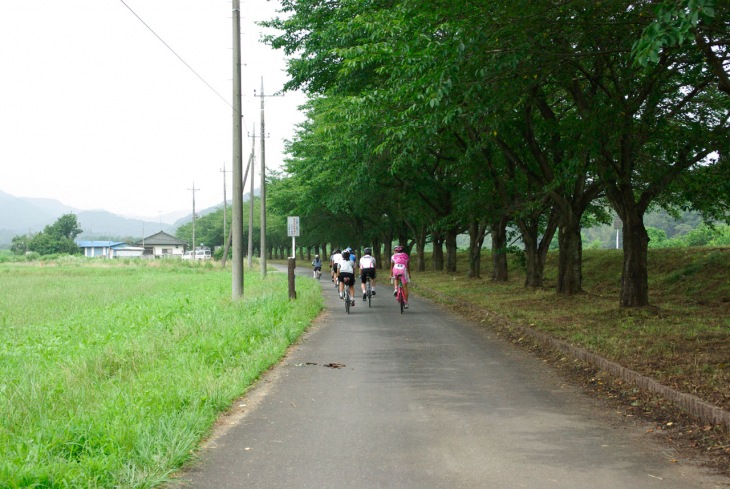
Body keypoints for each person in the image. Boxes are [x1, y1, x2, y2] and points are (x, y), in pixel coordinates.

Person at [390, 245, 411, 309]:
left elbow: (391, 267)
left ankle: (396, 289)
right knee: (405, 287)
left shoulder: (393, 256)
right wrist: (409, 274)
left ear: (395, 251)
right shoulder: (406, 256)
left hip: (396, 269)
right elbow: (407, 266)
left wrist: (391, 275)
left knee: (395, 278)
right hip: (403, 270)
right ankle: (406, 303)